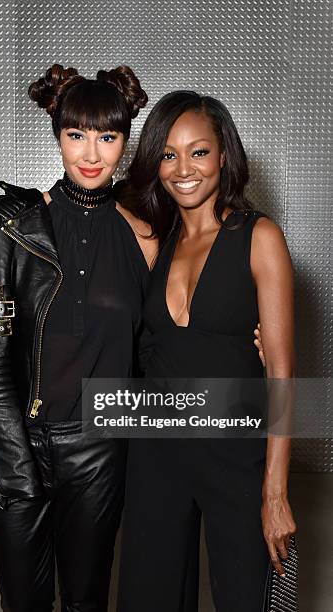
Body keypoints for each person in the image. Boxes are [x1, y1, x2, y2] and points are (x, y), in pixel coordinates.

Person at [0, 63, 156, 612]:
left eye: (107, 137)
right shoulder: (7, 226)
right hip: (15, 438)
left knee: (87, 597)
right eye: (76, 136)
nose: (91, 154)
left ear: (124, 141)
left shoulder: (144, 235)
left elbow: (173, 326)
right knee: (21, 597)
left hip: (99, 447)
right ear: (57, 136)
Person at [116, 91, 296, 612]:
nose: (183, 168)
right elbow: (90, 199)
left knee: (254, 595)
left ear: (224, 155)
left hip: (236, 452)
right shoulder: (156, 238)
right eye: (168, 154)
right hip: (156, 449)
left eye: (199, 151)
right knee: (149, 595)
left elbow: (282, 372)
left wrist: (276, 493)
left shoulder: (259, 236)